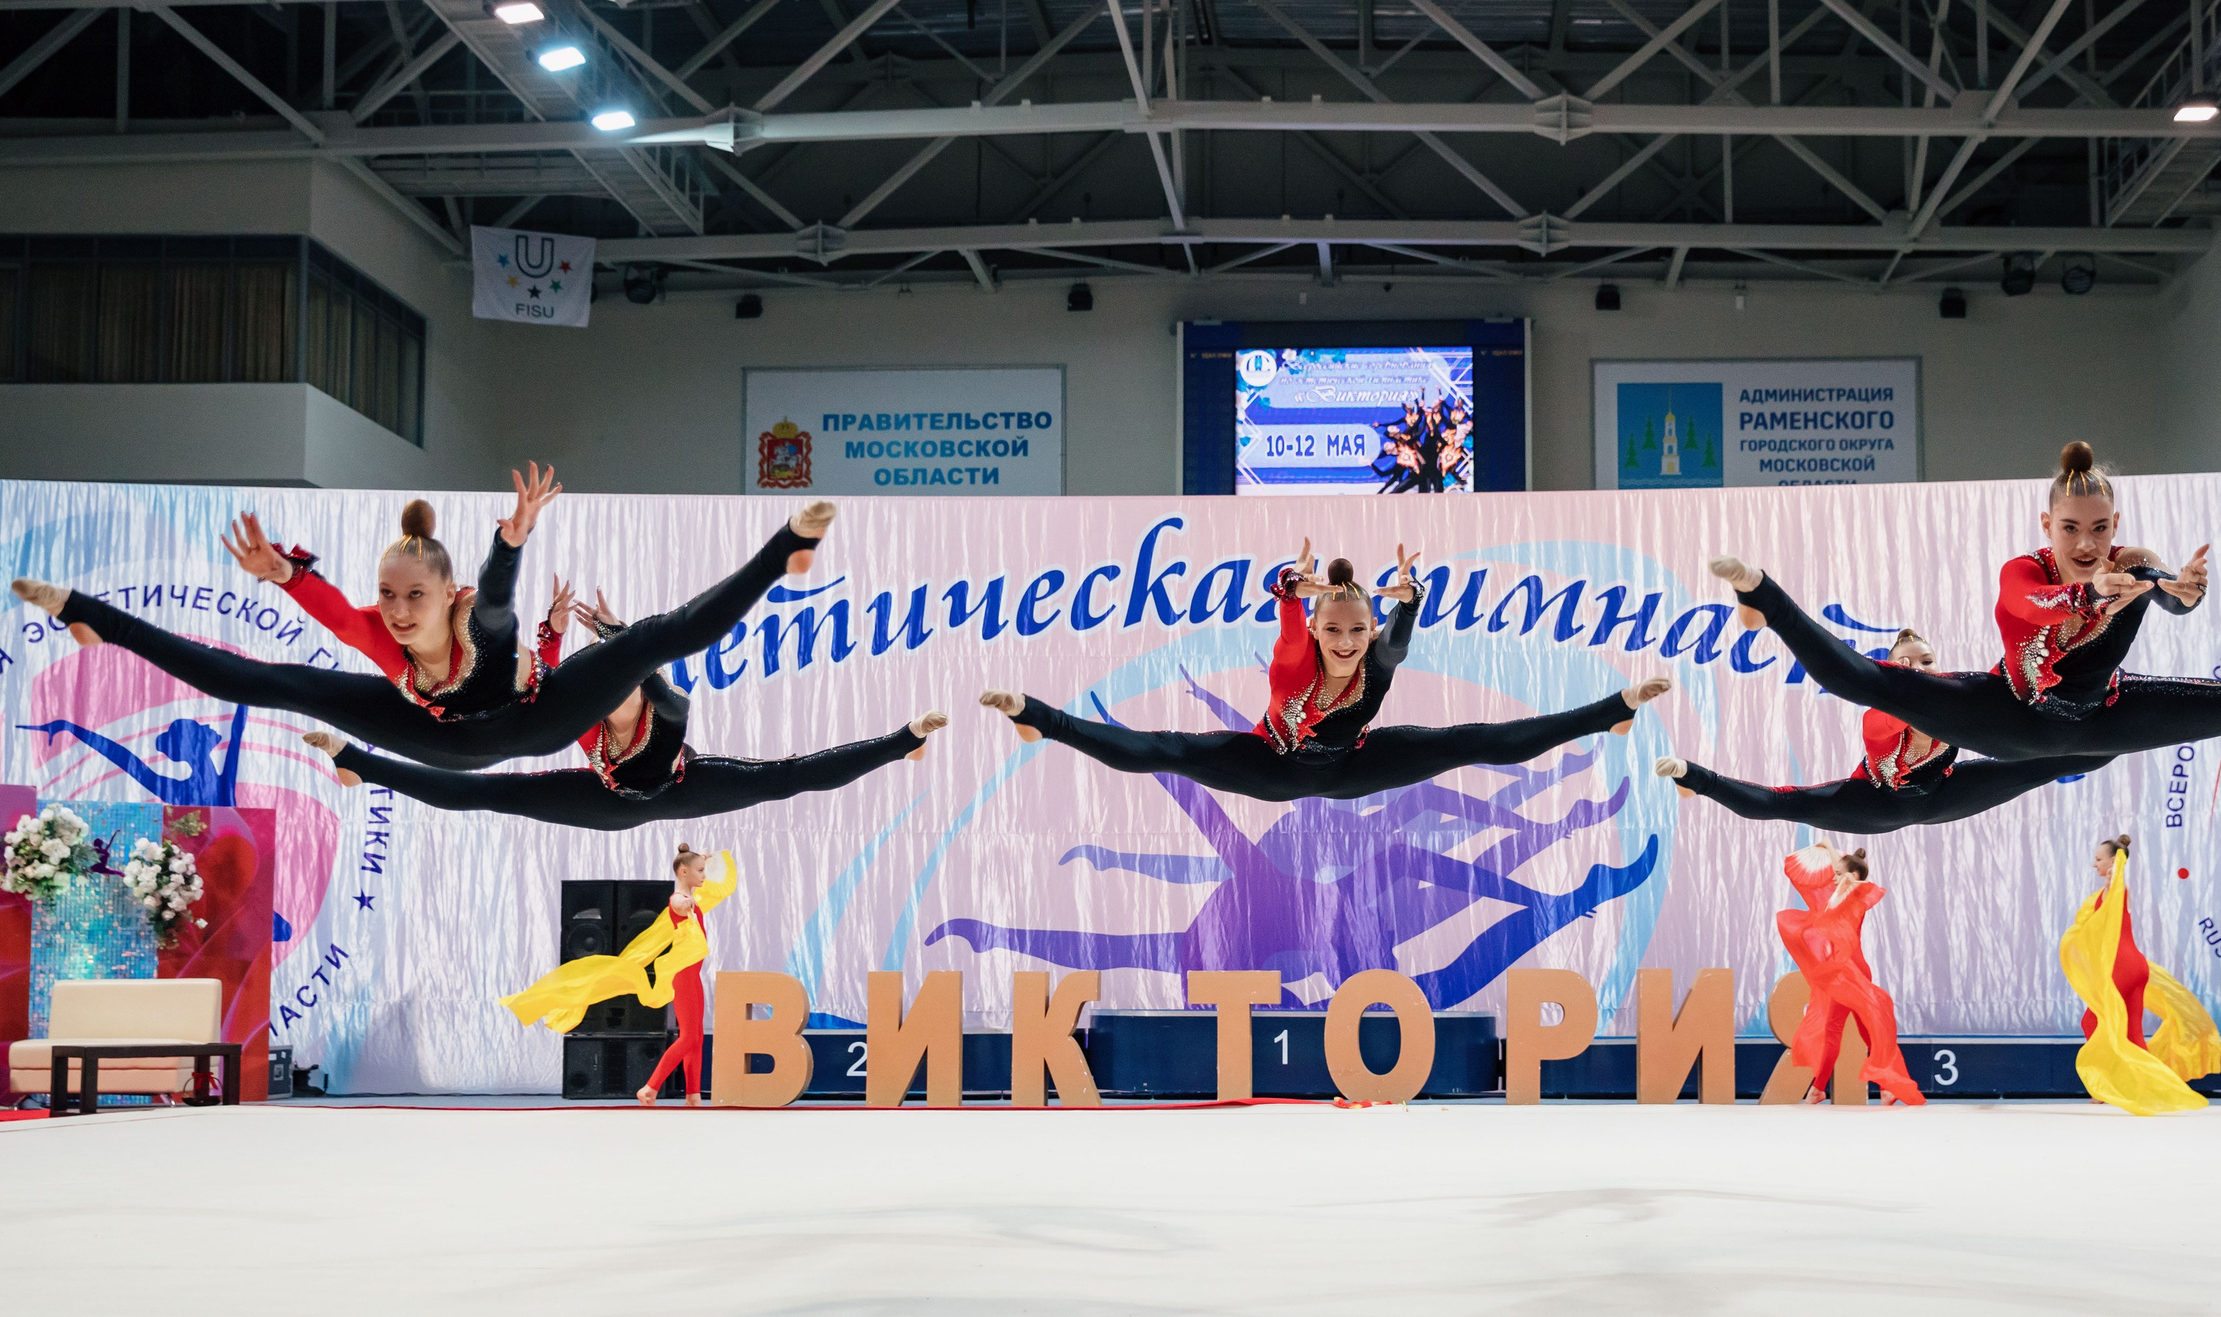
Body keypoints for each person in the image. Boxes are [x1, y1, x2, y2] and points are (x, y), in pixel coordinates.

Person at [1703, 442, 2221, 762]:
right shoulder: (2024, 568)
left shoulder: (2131, 562)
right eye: (2072, 528)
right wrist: (2087, 590)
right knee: (1864, 680)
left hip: (2104, 718)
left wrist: (2182, 592)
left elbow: (2170, 599)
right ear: (2047, 525)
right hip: (2012, 715)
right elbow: (2032, 610)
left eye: (2099, 528)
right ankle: (1762, 594)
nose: (2088, 540)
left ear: (2116, 524)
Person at [11, 476, 838, 771]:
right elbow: (339, 613)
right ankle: (92, 617)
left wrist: (510, 541)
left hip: (534, 719)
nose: (398, 612)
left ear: (449, 594)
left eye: (414, 597)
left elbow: (503, 602)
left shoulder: (481, 624)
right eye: (389, 595)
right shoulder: (382, 629)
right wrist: (285, 574)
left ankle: (786, 549)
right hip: (438, 737)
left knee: (650, 638)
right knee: (269, 681)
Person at [981, 540, 1671, 803]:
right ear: (1316, 629)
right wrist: (1290, 585)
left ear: (1370, 630)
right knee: (1167, 749)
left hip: (1352, 767)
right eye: (1333, 630)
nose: (1345, 641)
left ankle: (1611, 711)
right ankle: (1039, 719)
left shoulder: (1377, 660)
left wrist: (1412, 600)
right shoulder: (1295, 658)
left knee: (1472, 740)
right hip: (1272, 765)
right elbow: (1286, 606)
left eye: (1357, 631)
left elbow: (1397, 638)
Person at [298, 590, 948, 828]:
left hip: (681, 789)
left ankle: (904, 742)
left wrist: (619, 636)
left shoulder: (664, 712)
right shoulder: (585, 720)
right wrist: (551, 635)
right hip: (607, 802)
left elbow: (657, 671)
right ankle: (359, 764)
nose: (607, 700)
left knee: (787, 776)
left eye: (620, 690)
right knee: (488, 793)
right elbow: (541, 692)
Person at [1656, 627, 2111, 830]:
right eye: (1905, 663)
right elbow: (1907, 706)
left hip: (1943, 795)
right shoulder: (1880, 714)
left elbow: (2011, 681)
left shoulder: (1957, 698)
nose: (1918, 668)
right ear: (1890, 671)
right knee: (1783, 803)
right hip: (1875, 802)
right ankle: (1696, 779)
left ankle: (2134, 728)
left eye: (1926, 662)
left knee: (2059, 758)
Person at [502, 845, 735, 1107]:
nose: (704, 875)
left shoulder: (691, 894)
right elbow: (678, 904)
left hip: (693, 976)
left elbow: (704, 878)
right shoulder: (678, 899)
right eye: (700, 871)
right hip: (683, 977)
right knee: (689, 1038)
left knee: (696, 1038)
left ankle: (693, 1096)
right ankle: (650, 1088)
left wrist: (704, 859)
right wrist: (685, 903)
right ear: (683, 872)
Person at [2062, 835, 2219, 1114]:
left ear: (2113, 861)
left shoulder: (2115, 889)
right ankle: (2152, 1089)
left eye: (2099, 859)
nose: (2094, 864)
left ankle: (2105, 1086)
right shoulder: (2116, 891)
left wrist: (2115, 872)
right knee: (2132, 1032)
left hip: (2120, 967)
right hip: (2136, 966)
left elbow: (2110, 898)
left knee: (2093, 1021)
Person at [1774, 842, 1923, 1106]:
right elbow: (1842, 871)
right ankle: (1886, 1087)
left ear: (1851, 877)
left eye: (1838, 875)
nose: (1833, 878)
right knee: (1868, 1029)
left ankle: (1819, 1088)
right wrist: (1830, 848)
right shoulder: (1837, 898)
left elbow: (1857, 881)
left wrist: (1845, 868)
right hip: (1846, 970)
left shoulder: (1857, 895)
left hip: (1848, 971)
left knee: (1836, 1028)